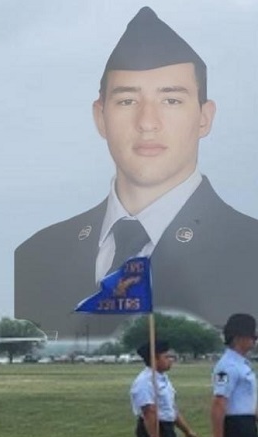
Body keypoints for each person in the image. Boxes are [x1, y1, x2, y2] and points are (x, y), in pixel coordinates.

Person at [14, 6, 258, 338]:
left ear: (204, 117)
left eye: (171, 101)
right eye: (127, 101)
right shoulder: (36, 255)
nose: (147, 123)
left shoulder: (250, 251)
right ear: (100, 117)